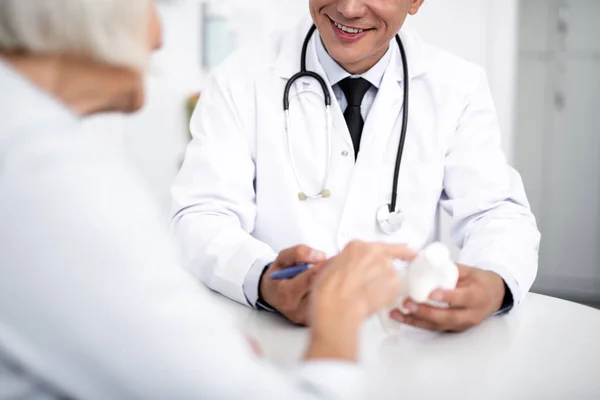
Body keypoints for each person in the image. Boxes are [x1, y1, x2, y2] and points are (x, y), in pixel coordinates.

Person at [0, 0, 416, 398]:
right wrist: (338, 313)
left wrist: (199, 353)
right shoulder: (42, 174)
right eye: (150, 6)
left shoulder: (24, 141)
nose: (159, 38)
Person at [171, 0, 541, 332]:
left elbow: (494, 212)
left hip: (400, 335)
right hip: (275, 334)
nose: (348, 8)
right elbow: (202, 214)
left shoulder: (456, 87)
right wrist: (265, 279)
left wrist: (496, 282)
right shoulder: (240, 79)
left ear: (415, 1)